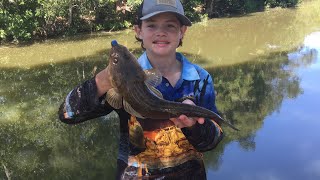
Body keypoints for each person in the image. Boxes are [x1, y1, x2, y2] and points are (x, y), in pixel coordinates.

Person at [58, 0, 224, 179]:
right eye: (151, 25)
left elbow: (212, 141)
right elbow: (68, 114)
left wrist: (194, 126)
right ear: (138, 31)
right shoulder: (115, 83)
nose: (161, 32)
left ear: (182, 31)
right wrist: (103, 80)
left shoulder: (200, 78)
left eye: (170, 25)